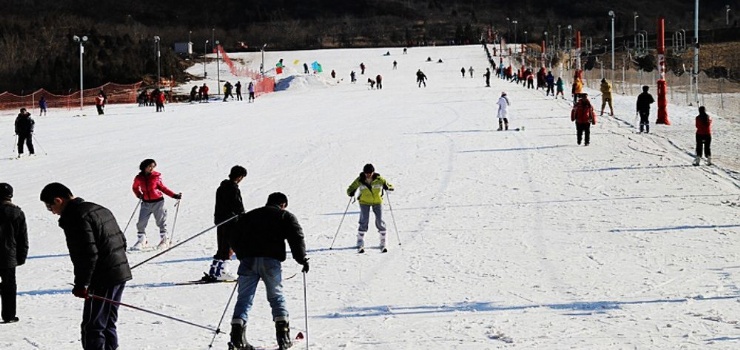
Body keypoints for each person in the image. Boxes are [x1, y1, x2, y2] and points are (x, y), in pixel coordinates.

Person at [39, 183, 132, 350]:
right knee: (108, 322)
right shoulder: (98, 208)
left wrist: (82, 283)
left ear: (58, 200)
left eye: (49, 207)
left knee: (93, 326)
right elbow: (122, 241)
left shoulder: (75, 216)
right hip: (119, 273)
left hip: (101, 277)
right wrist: (117, 265)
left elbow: (86, 254)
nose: (52, 212)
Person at [229, 192, 309, 350]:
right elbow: (296, 236)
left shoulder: (249, 216)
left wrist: (242, 254)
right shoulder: (284, 216)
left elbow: (233, 236)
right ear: (283, 204)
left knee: (244, 299)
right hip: (270, 262)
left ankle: (237, 338)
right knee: (276, 296)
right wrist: (302, 259)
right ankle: (283, 338)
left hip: (248, 261)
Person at [204, 166, 247, 282]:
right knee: (229, 247)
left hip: (220, 220)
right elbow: (238, 206)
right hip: (230, 221)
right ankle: (223, 272)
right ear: (239, 177)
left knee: (221, 246)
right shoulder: (233, 188)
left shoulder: (221, 187)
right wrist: (243, 217)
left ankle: (214, 271)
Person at [131, 159, 182, 250]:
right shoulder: (139, 178)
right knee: (141, 222)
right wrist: (139, 195)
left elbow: (163, 188)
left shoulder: (156, 177)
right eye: (149, 166)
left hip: (158, 202)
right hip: (146, 203)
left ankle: (164, 240)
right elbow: (135, 187)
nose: (151, 168)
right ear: (144, 167)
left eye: (153, 166)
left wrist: (174, 195)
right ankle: (142, 241)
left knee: (160, 221)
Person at [346, 164, 394, 253]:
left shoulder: (379, 179)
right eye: (366, 173)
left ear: (373, 172)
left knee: (379, 221)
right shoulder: (360, 180)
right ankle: (360, 241)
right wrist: (351, 192)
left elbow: (389, 185)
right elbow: (350, 188)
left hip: (377, 202)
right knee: (364, 220)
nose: (368, 175)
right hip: (364, 202)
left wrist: (388, 187)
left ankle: (383, 241)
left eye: (370, 173)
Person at [0, 183, 28, 324]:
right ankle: (9, 315)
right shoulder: (17, 212)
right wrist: (21, 256)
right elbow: (22, 237)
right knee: (9, 286)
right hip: (9, 256)